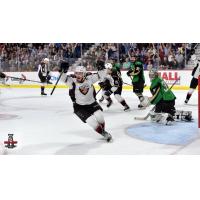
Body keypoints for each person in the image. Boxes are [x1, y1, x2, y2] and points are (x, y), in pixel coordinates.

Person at [60, 65, 112, 142]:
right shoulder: (72, 81)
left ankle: (103, 130)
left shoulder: (90, 78)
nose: (78, 75)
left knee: (100, 117)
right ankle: (103, 133)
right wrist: (62, 71)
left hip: (92, 103)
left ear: (84, 74)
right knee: (92, 122)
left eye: (80, 73)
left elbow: (100, 75)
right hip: (79, 107)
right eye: (76, 73)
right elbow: (63, 78)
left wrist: (101, 68)